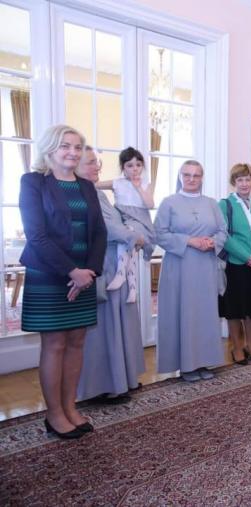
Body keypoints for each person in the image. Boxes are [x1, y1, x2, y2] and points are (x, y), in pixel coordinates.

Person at [19, 125, 106, 438]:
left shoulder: (86, 186)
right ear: (50, 149)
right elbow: (37, 236)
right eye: (65, 146)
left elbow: (99, 233)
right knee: (55, 344)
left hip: (84, 276)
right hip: (50, 274)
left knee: (77, 341)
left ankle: (70, 408)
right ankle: (54, 414)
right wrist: (72, 272)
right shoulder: (33, 182)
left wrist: (88, 272)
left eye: (77, 146)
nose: (72, 152)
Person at [76, 147, 146, 404]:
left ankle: (122, 379)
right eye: (91, 163)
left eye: (98, 162)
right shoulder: (82, 193)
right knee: (104, 328)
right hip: (102, 264)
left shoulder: (97, 192)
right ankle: (100, 386)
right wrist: (135, 237)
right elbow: (108, 227)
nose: (97, 167)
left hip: (115, 263)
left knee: (119, 323)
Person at [154, 161, 227, 382]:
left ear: (202, 178)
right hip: (180, 266)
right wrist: (189, 241)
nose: (191, 179)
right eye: (187, 175)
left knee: (204, 314)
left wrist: (213, 242)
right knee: (184, 313)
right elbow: (159, 234)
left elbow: (223, 231)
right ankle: (186, 365)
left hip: (205, 267)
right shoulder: (169, 202)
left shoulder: (211, 203)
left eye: (196, 175)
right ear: (180, 176)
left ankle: (204, 361)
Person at [218, 163, 251, 365]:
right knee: (235, 308)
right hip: (236, 265)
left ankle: (250, 344)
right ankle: (236, 347)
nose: (244, 183)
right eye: (239, 179)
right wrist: (245, 257)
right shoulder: (225, 205)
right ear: (234, 182)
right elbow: (223, 235)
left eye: (247, 179)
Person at [96, 147, 156, 303]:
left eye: (138, 165)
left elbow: (150, 204)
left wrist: (138, 187)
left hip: (139, 220)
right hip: (123, 218)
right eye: (130, 165)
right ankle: (132, 286)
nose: (135, 169)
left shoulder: (147, 184)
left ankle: (121, 273)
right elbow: (94, 185)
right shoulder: (117, 183)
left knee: (130, 235)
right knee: (128, 245)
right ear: (123, 167)